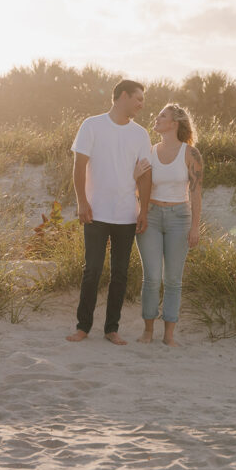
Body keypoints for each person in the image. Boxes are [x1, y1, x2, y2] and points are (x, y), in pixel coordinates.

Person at [66, 79, 152, 346]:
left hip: (126, 214)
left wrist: (144, 210)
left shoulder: (140, 134)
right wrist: (82, 202)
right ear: (122, 96)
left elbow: (145, 175)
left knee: (120, 273)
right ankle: (83, 327)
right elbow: (79, 167)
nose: (141, 105)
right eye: (138, 99)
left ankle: (111, 329)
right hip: (96, 211)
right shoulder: (92, 125)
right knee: (91, 270)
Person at [133, 104, 203, 347]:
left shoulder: (190, 154)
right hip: (150, 216)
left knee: (173, 279)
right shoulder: (149, 151)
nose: (157, 117)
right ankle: (148, 331)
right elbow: (140, 188)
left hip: (179, 218)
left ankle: (169, 335)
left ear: (174, 123)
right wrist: (134, 177)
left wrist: (195, 227)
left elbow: (196, 194)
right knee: (151, 278)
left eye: (162, 115)